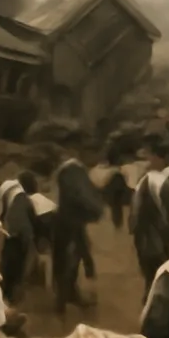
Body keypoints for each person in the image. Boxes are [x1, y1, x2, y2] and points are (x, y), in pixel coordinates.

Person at [53, 133, 103, 314]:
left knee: (72, 257)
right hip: (70, 221)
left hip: (69, 220)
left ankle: (68, 295)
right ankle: (63, 300)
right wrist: (95, 208)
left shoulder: (68, 169)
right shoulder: (72, 170)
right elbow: (80, 195)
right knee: (70, 259)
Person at [130, 139, 169, 301]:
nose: (148, 160)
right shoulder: (160, 182)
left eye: (151, 156)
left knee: (152, 278)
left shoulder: (147, 181)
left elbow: (134, 214)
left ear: (160, 159)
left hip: (147, 238)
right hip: (157, 239)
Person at [0, 172, 39, 303]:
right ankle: (13, 295)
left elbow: (4, 214)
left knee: (9, 266)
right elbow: (27, 219)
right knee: (19, 267)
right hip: (21, 234)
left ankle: (6, 294)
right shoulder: (23, 199)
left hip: (11, 235)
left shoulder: (9, 191)